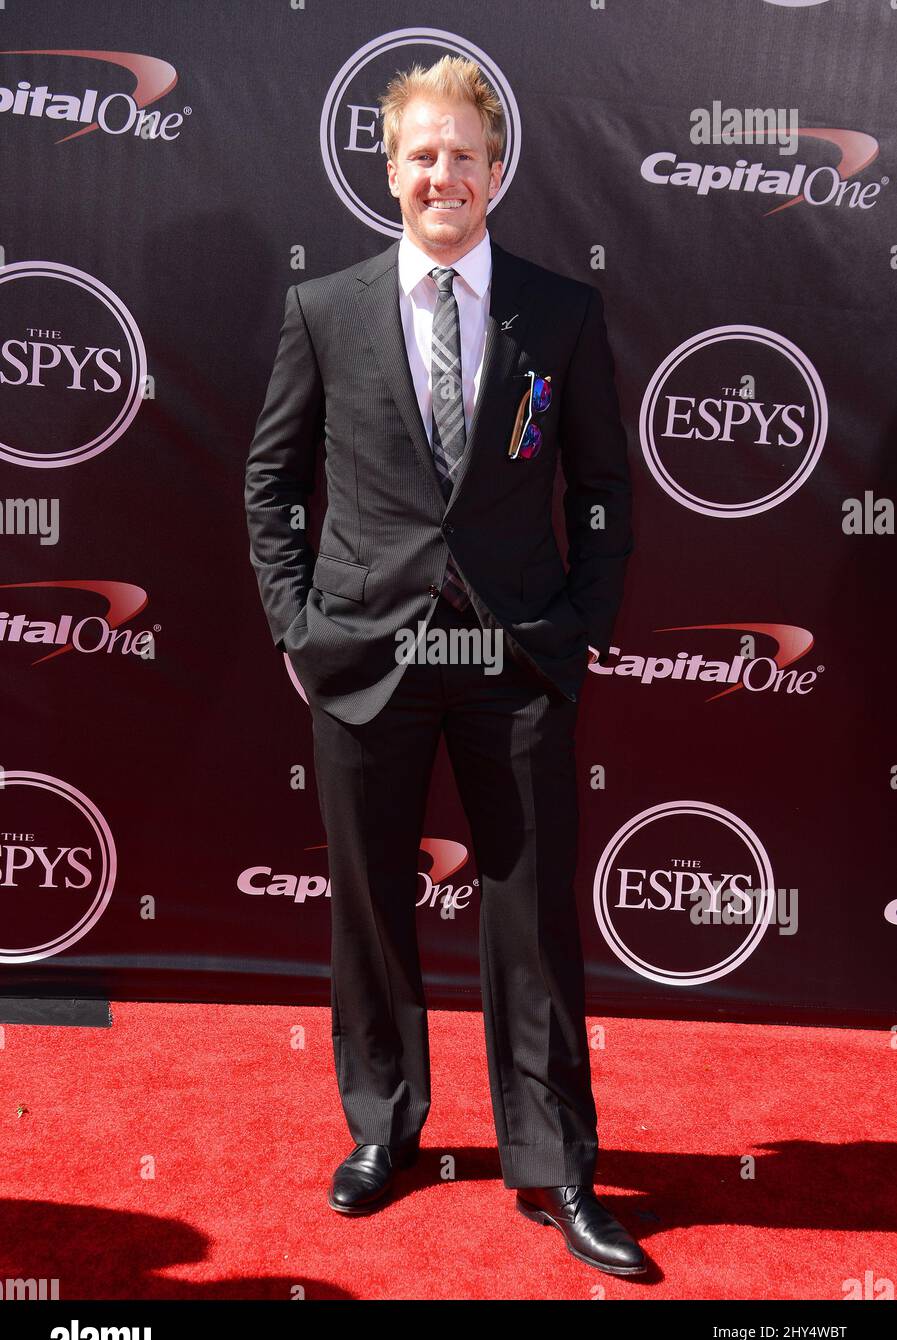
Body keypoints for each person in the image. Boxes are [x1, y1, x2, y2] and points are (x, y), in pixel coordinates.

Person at [244, 54, 642, 1277]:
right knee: (369, 909)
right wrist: (299, 631)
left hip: (516, 659)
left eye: (463, 153)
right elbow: (272, 482)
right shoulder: (330, 309)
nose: (442, 174)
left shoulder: (559, 313)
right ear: (390, 170)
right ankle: (386, 1129)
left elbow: (605, 491)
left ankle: (554, 1161)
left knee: (533, 927)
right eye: (421, 152)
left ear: (497, 169)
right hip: (366, 658)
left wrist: (575, 630)